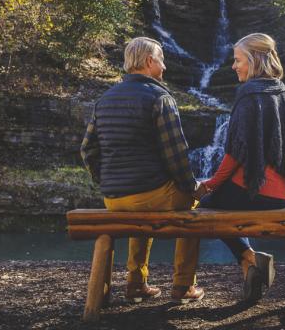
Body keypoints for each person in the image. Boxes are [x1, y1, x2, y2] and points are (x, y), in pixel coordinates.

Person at [80, 37, 207, 304]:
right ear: (149, 61)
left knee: (142, 210)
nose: (165, 67)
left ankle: (136, 283)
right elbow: (176, 154)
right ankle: (184, 285)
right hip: (151, 194)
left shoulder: (104, 100)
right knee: (193, 205)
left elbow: (87, 150)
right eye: (162, 59)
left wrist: (106, 181)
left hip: (114, 198)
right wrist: (190, 186)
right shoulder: (160, 98)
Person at [199, 33, 285, 301]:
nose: (234, 66)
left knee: (205, 208)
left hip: (253, 191)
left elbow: (235, 153)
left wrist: (211, 184)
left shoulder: (249, 94)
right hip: (284, 196)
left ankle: (248, 259)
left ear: (254, 60)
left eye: (238, 60)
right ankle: (249, 263)